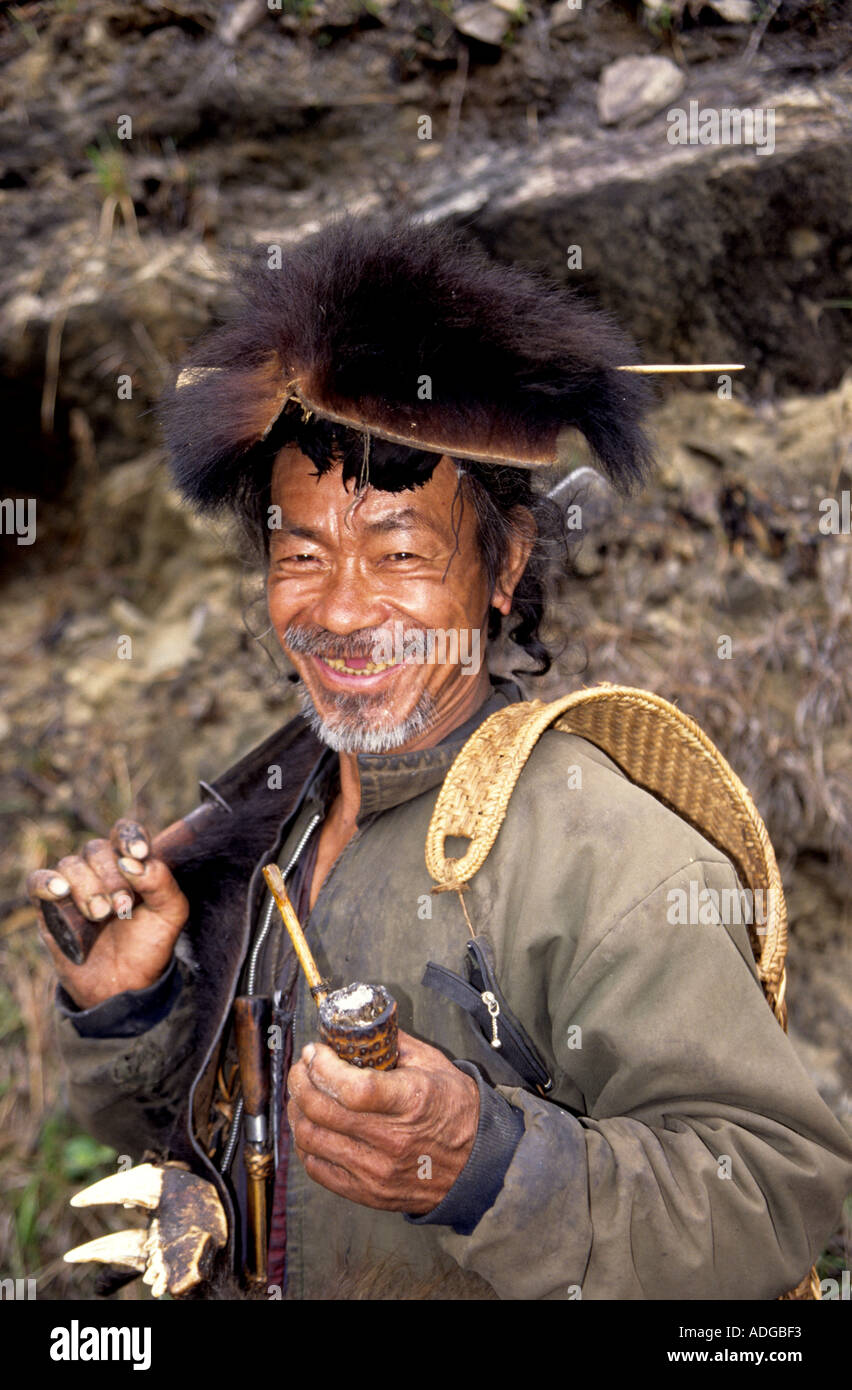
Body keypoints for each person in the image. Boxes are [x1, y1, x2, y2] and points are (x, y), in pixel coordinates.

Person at [31, 216, 852, 1300]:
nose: (340, 608)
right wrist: (129, 1008)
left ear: (504, 564)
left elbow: (778, 1198)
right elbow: (203, 1135)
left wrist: (487, 1167)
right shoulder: (273, 812)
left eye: (401, 552)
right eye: (302, 551)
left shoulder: (601, 851)